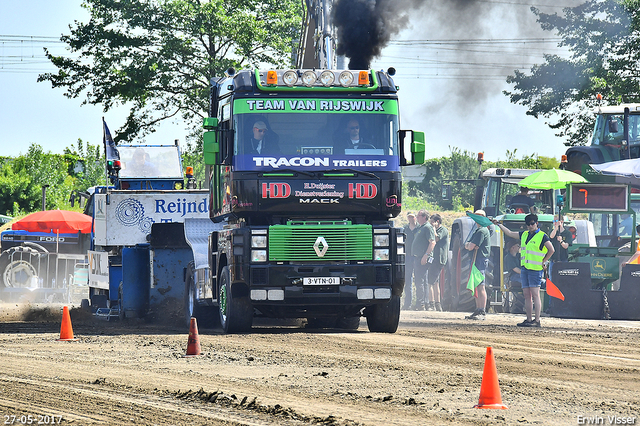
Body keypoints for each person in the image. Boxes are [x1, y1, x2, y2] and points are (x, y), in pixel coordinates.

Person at [492, 213, 554, 327]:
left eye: (532, 224)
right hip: (525, 269)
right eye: (528, 224)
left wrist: (543, 261)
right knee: (526, 294)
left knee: (535, 294)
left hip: (535, 269)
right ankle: (529, 319)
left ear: (536, 223)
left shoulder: (542, 236)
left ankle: (537, 320)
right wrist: (499, 225)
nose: (530, 226)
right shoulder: (524, 234)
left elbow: (551, 249)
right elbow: (510, 233)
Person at [464, 210, 492, 320]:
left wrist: (469, 245)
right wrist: (469, 245)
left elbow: (470, 246)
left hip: (480, 260)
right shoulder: (479, 230)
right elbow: (469, 244)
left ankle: (482, 310)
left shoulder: (481, 231)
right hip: (477, 260)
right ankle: (478, 309)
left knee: (480, 286)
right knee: (476, 285)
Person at [410, 209, 435, 310]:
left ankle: (420, 304)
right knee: (422, 280)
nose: (417, 217)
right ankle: (424, 303)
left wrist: (426, 255)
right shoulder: (422, 227)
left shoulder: (427, 227)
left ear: (424, 217)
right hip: (418, 257)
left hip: (422, 257)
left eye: (419, 216)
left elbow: (432, 242)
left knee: (420, 280)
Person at [427, 214, 448, 312]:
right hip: (433, 259)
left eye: (432, 222)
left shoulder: (443, 230)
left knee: (430, 282)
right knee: (435, 282)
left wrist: (433, 229)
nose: (431, 224)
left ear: (437, 222)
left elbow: (436, 239)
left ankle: (432, 304)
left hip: (438, 259)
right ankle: (437, 305)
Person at [402, 213, 419, 310]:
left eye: (412, 216)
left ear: (415, 217)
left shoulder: (420, 229)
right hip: (407, 257)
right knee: (407, 280)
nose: (410, 218)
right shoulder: (405, 229)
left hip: (417, 257)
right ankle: (407, 303)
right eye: (409, 217)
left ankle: (419, 304)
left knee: (419, 280)